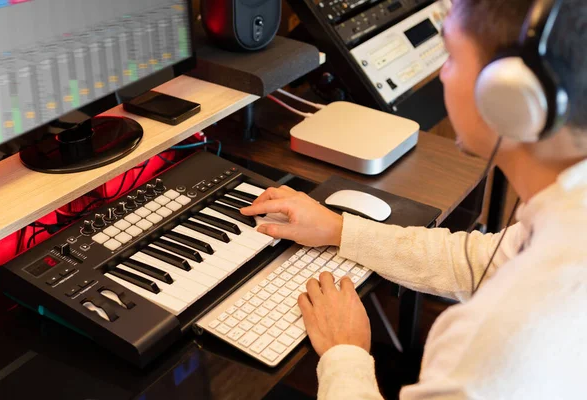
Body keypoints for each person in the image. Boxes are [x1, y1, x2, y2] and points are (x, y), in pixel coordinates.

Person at [240, 0, 587, 398]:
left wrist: (345, 353)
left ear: (508, 95)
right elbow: (481, 262)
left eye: (452, 56)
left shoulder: (487, 352)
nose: (442, 73)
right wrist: (339, 228)